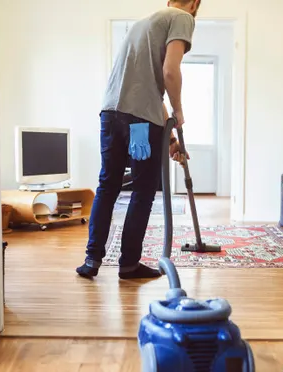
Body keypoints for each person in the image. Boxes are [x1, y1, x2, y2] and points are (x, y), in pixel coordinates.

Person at [76, 0, 201, 280]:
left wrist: (169, 137)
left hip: (110, 114)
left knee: (107, 185)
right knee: (143, 190)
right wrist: (179, 111)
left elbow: (146, 87)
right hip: (139, 121)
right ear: (194, 4)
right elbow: (169, 72)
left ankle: (91, 260)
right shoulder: (183, 18)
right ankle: (129, 264)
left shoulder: (144, 23)